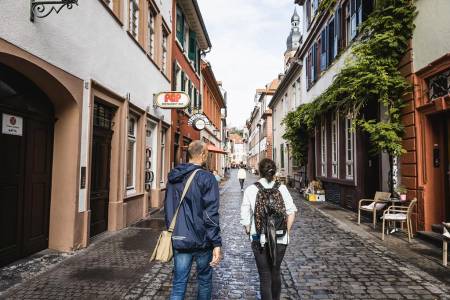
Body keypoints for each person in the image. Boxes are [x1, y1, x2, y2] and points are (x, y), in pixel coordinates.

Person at [164, 140, 222, 300]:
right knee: (204, 280)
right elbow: (210, 214)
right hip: (202, 240)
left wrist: (173, 231)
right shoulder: (207, 178)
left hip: (180, 237)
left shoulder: (173, 177)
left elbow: (168, 208)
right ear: (203, 155)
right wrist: (216, 243)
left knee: (179, 284)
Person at [240, 158, 297, 300]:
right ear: (274, 171)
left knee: (265, 275)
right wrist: (286, 232)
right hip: (280, 238)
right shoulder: (282, 188)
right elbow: (291, 212)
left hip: (259, 238)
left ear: (259, 171)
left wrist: (248, 230)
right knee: (276, 272)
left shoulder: (251, 189)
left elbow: (245, 216)